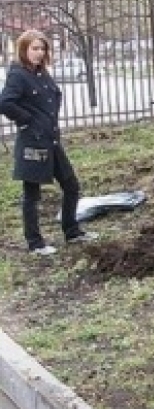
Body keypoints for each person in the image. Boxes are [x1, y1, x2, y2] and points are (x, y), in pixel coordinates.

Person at [0, 30, 98, 255]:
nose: (39, 53)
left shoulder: (42, 74)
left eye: (42, 48)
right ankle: (35, 243)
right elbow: (5, 103)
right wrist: (28, 121)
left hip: (51, 140)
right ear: (24, 49)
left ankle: (71, 231)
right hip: (33, 142)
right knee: (31, 194)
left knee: (71, 185)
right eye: (34, 48)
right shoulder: (18, 75)